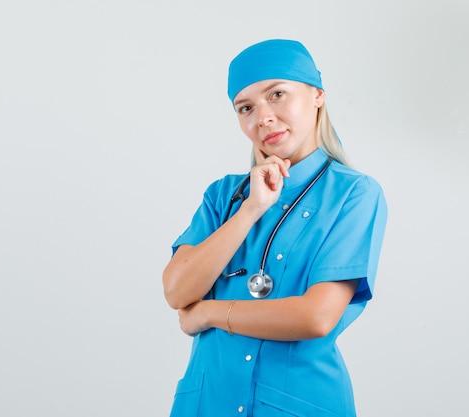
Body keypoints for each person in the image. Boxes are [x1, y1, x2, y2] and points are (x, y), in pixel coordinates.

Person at [162, 39, 388, 417]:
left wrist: (209, 313)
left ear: (317, 95)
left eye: (277, 95)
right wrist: (251, 209)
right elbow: (176, 290)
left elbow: (316, 317)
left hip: (298, 403)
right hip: (208, 403)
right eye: (245, 107)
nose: (262, 117)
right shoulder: (224, 197)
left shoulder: (353, 194)